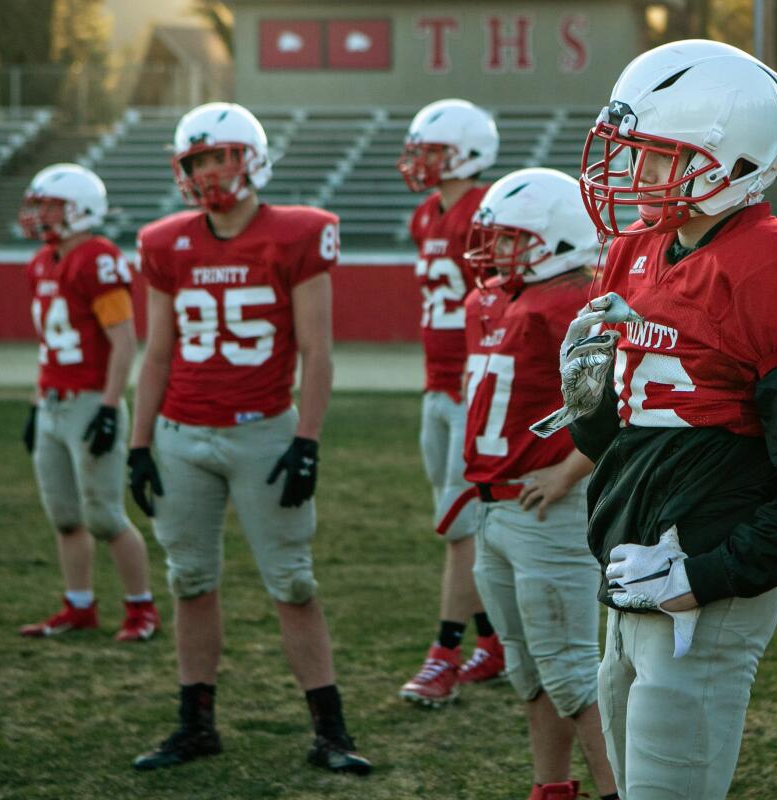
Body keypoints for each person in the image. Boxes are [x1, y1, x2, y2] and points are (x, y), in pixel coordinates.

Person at [564, 40, 777, 799]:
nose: (637, 175)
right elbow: (615, 443)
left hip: (701, 578)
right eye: (635, 153)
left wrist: (706, 576)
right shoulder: (634, 251)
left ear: (733, 161)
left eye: (661, 157)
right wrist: (587, 396)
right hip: (633, 562)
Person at [126, 101, 370, 775]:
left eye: (220, 156)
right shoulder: (164, 242)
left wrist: (308, 438)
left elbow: (318, 351)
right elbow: (155, 355)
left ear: (252, 157)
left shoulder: (296, 233)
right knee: (190, 579)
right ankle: (195, 725)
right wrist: (140, 443)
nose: (208, 172)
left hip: (264, 433)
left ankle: (331, 731)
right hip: (181, 435)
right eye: (197, 161)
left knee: (292, 582)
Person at [460, 168, 617, 800]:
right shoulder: (496, 301)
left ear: (557, 239)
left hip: (544, 506)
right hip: (495, 507)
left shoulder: (571, 302)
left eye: (511, 239)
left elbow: (616, 404)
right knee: (530, 674)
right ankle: (551, 787)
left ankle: (619, 792)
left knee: (574, 675)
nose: (496, 252)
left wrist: (568, 468)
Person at [18, 163, 161, 643]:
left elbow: (123, 343)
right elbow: (51, 347)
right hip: (53, 402)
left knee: (104, 516)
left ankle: (141, 608)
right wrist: (37, 404)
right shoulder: (43, 260)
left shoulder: (97, 258)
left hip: (88, 402)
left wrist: (108, 405)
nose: (40, 214)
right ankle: (78, 605)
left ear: (80, 208)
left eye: (50, 205)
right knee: (64, 515)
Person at [395, 98, 505, 706]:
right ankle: (495, 642)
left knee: (461, 528)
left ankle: (445, 654)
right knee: (461, 525)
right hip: (436, 384)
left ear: (466, 150)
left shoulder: (479, 214)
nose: (419, 162)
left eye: (431, 150)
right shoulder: (425, 216)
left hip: (472, 386)